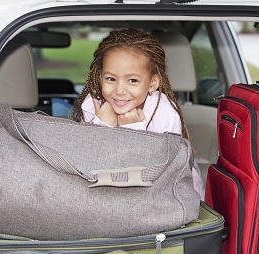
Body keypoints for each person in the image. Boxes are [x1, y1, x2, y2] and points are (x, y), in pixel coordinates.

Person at [70, 28, 204, 199]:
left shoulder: (164, 113)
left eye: (132, 80)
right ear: (100, 76)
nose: (119, 91)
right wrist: (103, 126)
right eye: (110, 79)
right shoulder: (93, 104)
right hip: (109, 195)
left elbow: (160, 177)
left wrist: (133, 131)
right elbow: (91, 165)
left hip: (168, 194)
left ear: (153, 83)